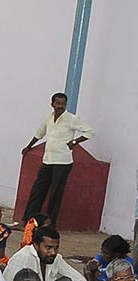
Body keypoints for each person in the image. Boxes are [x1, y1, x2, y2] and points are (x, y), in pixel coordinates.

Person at [22, 91, 94, 227]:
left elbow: (90, 132)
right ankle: (27, 221)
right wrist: (29, 146)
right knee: (38, 191)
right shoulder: (48, 118)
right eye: (58, 103)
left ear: (66, 105)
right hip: (48, 159)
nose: (60, 106)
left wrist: (74, 142)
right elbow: (40, 133)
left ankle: (49, 225)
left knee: (55, 194)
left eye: (63, 104)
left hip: (63, 161)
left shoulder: (72, 119)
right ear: (52, 104)